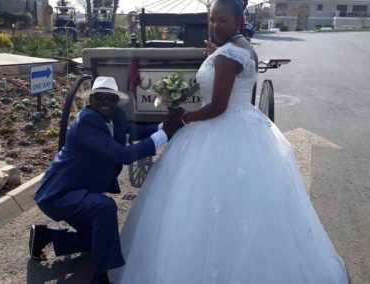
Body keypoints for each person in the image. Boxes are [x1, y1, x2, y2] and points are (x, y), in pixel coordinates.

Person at [109, 0, 350, 283]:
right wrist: (216, 55)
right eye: (212, 20)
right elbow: (233, 74)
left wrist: (184, 119)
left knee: (201, 199)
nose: (215, 25)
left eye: (222, 20)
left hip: (220, 126)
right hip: (246, 125)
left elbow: (218, 107)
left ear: (239, 20)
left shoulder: (229, 55)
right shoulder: (241, 48)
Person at [29, 76, 183, 284]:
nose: (105, 101)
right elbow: (123, 155)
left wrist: (167, 125)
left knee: (103, 240)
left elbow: (138, 131)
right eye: (99, 97)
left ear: (116, 101)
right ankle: (101, 277)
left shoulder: (116, 117)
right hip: (58, 194)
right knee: (104, 207)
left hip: (81, 189)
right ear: (90, 100)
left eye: (110, 98)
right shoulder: (87, 122)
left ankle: (45, 236)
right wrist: (165, 134)